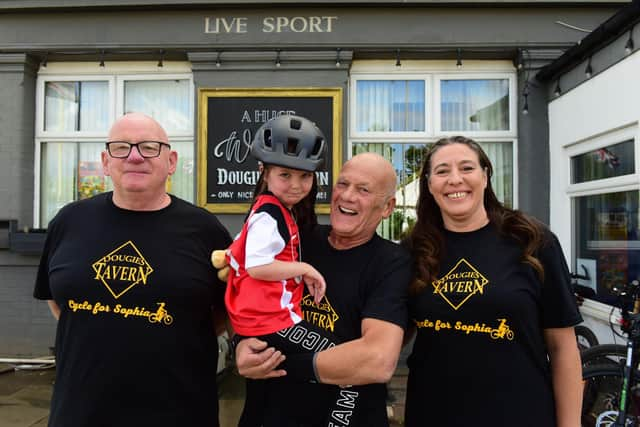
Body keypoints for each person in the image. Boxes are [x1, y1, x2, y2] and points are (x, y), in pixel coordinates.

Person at [33, 112, 232, 427]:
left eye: (149, 147)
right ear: (105, 161)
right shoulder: (69, 222)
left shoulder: (205, 230)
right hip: (80, 411)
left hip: (180, 411)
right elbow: (58, 299)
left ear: (171, 161)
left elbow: (227, 310)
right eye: (121, 147)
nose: (135, 156)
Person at [403, 136, 582, 427]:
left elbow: (563, 348)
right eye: (442, 171)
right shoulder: (413, 250)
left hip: (520, 413)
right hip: (433, 413)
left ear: (485, 176)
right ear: (430, 184)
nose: (455, 179)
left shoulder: (532, 241)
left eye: (466, 168)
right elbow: (395, 332)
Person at [233, 152, 413, 427]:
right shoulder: (296, 240)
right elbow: (249, 300)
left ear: (388, 207)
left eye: (363, 190)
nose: (347, 196)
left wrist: (282, 365)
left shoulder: (391, 263)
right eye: (342, 184)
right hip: (268, 415)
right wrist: (240, 347)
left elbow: (376, 360)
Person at [225, 114, 349, 426]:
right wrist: (305, 268)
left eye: (305, 176)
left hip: (269, 322)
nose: (296, 185)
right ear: (263, 172)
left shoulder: (279, 211)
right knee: (346, 366)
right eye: (285, 174)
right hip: (273, 323)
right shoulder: (269, 214)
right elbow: (257, 265)